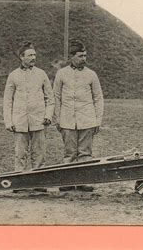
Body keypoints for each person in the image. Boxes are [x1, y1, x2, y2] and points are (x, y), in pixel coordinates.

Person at [53, 39, 104, 192]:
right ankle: (68, 181)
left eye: (85, 56)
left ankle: (84, 181)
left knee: (85, 152)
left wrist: (97, 120)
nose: (84, 59)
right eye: (81, 56)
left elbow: (98, 98)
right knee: (69, 153)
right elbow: (56, 96)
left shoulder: (91, 75)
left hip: (87, 120)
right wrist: (58, 117)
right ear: (72, 57)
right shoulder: (61, 74)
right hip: (67, 119)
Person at [3, 41, 54, 179]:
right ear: (21, 57)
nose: (33, 58)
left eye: (35, 55)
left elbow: (50, 98)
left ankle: (39, 182)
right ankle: (19, 181)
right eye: (30, 55)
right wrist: (9, 121)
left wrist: (48, 116)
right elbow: (7, 100)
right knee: (20, 153)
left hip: (39, 120)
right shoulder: (13, 75)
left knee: (39, 153)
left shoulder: (41, 74)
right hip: (20, 121)